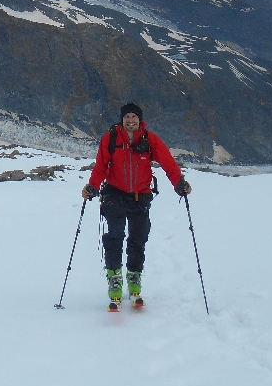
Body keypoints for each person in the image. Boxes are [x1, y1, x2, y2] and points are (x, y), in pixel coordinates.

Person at [81, 103, 191, 310]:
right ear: (122, 120)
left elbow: (168, 163)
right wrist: (93, 186)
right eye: (127, 117)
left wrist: (179, 183)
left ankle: (134, 277)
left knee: (138, 238)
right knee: (114, 235)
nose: (130, 120)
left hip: (141, 196)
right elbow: (101, 166)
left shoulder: (150, 140)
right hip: (115, 194)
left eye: (134, 117)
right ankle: (115, 279)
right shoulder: (111, 139)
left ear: (140, 120)